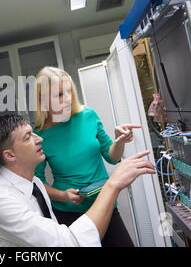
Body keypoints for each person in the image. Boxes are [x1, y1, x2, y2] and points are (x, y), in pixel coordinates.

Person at [0, 114, 155, 246]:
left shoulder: (35, 184)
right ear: (10, 155)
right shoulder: (0, 202)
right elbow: (70, 243)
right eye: (28, 137)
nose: (39, 139)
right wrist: (112, 185)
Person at [33, 66, 141, 247]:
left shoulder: (88, 116)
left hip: (104, 204)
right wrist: (63, 196)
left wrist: (120, 141)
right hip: (68, 213)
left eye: (69, 91)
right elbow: (38, 183)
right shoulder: (39, 137)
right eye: (59, 95)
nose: (67, 99)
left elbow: (112, 156)